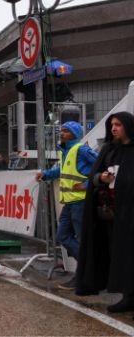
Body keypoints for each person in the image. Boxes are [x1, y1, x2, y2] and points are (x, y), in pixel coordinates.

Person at [76, 112, 134, 312]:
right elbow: (94, 176)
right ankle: (127, 295)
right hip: (113, 213)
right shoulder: (109, 149)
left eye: (118, 124)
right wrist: (101, 177)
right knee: (118, 254)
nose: (114, 128)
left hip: (131, 213)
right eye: (112, 125)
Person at [36, 121, 98, 290]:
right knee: (63, 236)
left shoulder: (81, 150)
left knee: (80, 239)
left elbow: (101, 166)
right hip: (70, 203)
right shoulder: (66, 152)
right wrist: (46, 175)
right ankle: (87, 269)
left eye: (66, 131)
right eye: (61, 130)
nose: (61, 133)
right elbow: (62, 172)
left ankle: (84, 274)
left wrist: (87, 185)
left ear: (75, 134)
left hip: (81, 202)